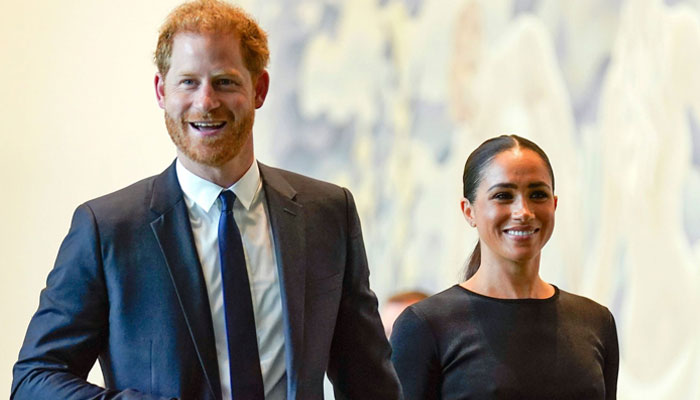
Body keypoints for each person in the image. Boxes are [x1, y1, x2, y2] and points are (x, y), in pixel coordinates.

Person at [11, 1, 402, 399]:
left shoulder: (328, 214)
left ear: (259, 89)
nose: (206, 101)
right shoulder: (107, 229)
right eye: (188, 82)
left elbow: (369, 382)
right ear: (161, 91)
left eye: (225, 82)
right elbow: (35, 379)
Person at [390, 135, 619, 399]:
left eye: (537, 195)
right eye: (503, 196)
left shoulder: (595, 322)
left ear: (554, 205)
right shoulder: (426, 325)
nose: (523, 212)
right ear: (469, 211)